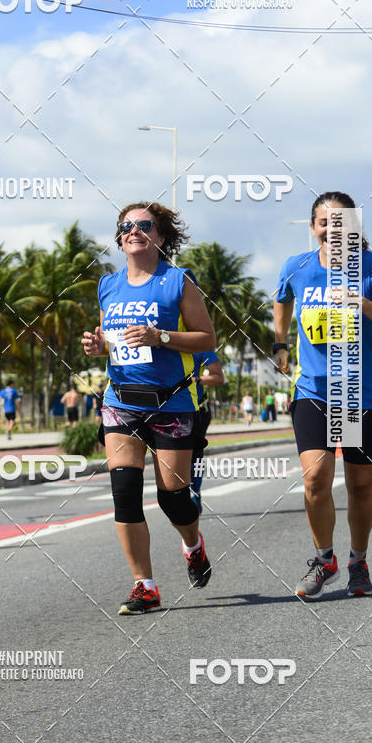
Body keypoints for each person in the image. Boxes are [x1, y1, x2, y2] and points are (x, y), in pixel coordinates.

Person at [81, 202, 216, 615]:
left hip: (171, 401)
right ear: (120, 237)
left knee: (173, 498)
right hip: (121, 401)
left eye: (144, 225)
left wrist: (161, 337)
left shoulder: (177, 282)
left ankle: (192, 545)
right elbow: (112, 341)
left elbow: (206, 339)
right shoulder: (108, 285)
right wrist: (97, 347)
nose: (134, 230)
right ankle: (145, 586)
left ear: (159, 236)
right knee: (124, 495)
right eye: (126, 226)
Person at [274, 191, 372, 599]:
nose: (332, 230)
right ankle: (324, 559)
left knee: (359, 485)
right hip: (314, 390)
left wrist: (361, 302)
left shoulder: (371, 267)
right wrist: (279, 344)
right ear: (313, 227)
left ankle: (358, 560)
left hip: (358, 394)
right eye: (324, 222)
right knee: (316, 478)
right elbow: (282, 300)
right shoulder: (296, 267)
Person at [189, 351, 226, 513]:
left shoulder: (200, 346)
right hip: (169, 412)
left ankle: (194, 492)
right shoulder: (162, 341)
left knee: (195, 456)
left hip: (198, 411)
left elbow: (219, 378)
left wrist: (198, 380)